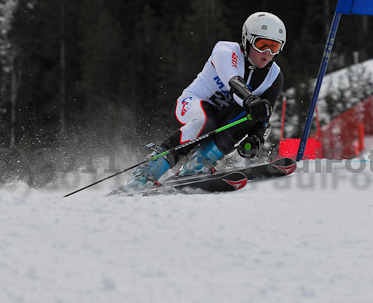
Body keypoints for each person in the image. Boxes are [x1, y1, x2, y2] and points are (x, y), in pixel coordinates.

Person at [123, 11, 286, 191]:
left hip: (223, 120)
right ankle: (145, 174)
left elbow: (263, 115)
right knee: (205, 122)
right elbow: (233, 81)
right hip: (191, 107)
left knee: (251, 113)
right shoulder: (226, 50)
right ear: (247, 40)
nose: (268, 53)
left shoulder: (275, 77)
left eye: (275, 47)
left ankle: (198, 165)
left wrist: (256, 138)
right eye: (262, 45)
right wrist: (250, 100)